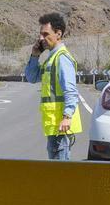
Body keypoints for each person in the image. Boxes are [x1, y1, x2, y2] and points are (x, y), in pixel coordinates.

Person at [24, 12, 82, 160]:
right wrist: (35, 55)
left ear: (58, 34)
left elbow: (71, 91)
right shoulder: (51, 59)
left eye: (45, 34)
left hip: (61, 127)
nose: (41, 38)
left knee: (60, 174)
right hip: (54, 126)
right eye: (40, 34)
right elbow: (31, 78)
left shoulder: (62, 58)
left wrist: (67, 117)